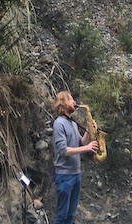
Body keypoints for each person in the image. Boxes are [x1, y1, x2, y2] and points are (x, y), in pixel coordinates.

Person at [52, 90, 98, 224]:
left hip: (76, 174)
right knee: (61, 216)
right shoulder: (59, 124)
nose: (74, 102)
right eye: (71, 99)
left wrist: (89, 130)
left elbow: (80, 142)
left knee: (71, 215)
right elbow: (63, 150)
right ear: (63, 103)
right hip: (65, 176)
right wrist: (87, 148)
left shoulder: (72, 122)